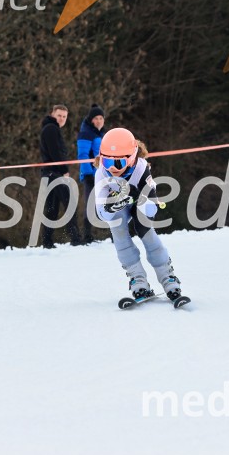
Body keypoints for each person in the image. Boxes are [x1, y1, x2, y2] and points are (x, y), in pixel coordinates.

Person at [94, 128, 189, 307]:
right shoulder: (101, 173)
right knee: (117, 228)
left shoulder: (141, 168)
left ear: (131, 158)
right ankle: (137, 278)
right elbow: (101, 213)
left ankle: (167, 276)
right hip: (118, 203)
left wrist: (139, 196)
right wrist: (115, 206)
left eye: (120, 162)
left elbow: (152, 210)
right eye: (106, 161)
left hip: (141, 203)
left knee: (144, 228)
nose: (112, 168)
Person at [39, 104, 81, 248]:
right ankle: (76, 238)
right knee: (69, 203)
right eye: (59, 115)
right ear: (52, 114)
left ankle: (47, 241)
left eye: (64, 116)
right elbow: (55, 152)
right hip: (55, 173)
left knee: (52, 208)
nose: (62, 119)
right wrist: (64, 170)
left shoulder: (51, 128)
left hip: (49, 173)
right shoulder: (51, 129)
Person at [76, 104, 106, 244]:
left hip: (104, 174)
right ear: (91, 120)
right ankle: (86, 236)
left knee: (107, 202)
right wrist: (88, 173)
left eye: (101, 118)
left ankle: (113, 234)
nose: (99, 121)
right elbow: (83, 155)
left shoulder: (102, 133)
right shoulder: (86, 133)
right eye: (96, 118)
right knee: (90, 203)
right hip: (91, 175)